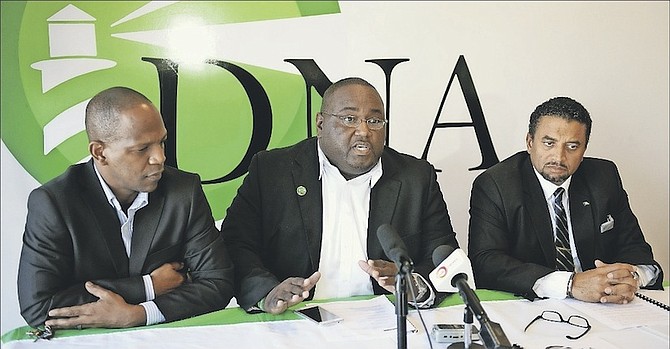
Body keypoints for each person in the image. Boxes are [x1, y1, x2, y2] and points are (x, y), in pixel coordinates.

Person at [221, 77, 458, 314]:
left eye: (374, 121)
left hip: (385, 319)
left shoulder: (416, 177)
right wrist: (266, 292)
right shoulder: (272, 170)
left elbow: (443, 254)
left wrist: (413, 285)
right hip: (295, 319)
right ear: (321, 124)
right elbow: (235, 243)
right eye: (349, 119)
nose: (364, 131)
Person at [18, 86, 234, 329]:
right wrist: (148, 286)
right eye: (142, 149)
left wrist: (140, 313)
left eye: (162, 142)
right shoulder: (54, 203)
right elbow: (39, 307)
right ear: (100, 153)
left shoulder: (184, 190)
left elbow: (218, 282)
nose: (159, 158)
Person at [468, 96, 663, 304]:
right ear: (529, 142)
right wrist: (571, 284)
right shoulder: (496, 185)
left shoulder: (604, 177)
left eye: (572, 146)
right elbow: (486, 262)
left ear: (584, 149)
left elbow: (634, 247)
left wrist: (631, 277)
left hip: (603, 305)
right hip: (533, 306)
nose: (559, 157)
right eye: (549, 143)